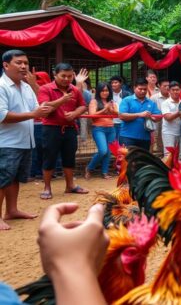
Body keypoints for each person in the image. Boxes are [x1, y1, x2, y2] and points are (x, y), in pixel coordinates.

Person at [0, 50, 48, 229]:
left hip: (24, 140)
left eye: (26, 63)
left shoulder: (26, 86)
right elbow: (2, 115)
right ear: (6, 65)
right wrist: (33, 114)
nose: (23, 66)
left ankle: (11, 210)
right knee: (2, 178)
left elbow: (37, 108)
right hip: (6, 142)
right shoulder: (1, 86)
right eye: (18, 63)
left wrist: (45, 106)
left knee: (14, 178)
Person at [37, 63, 88, 199]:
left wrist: (74, 113)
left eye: (70, 76)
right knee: (49, 157)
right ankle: (47, 188)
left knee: (69, 158)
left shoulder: (75, 90)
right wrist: (62, 100)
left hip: (70, 129)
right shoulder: (45, 88)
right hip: (51, 128)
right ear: (55, 75)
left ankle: (70, 186)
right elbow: (44, 107)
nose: (66, 79)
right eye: (63, 76)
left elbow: (83, 106)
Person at [118, 77, 161, 151]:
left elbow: (159, 116)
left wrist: (151, 117)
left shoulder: (151, 103)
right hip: (127, 136)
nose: (142, 91)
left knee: (142, 161)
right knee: (127, 160)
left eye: (145, 89)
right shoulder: (127, 100)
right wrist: (139, 115)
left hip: (145, 138)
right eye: (140, 89)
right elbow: (121, 116)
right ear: (134, 88)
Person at [85, 82, 117, 180]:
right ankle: (89, 168)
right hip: (99, 128)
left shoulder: (112, 102)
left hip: (111, 128)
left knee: (108, 152)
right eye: (102, 90)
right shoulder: (94, 101)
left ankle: (105, 172)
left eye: (107, 90)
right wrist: (104, 109)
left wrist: (111, 110)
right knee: (103, 150)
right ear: (98, 91)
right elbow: (92, 115)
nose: (105, 92)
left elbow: (117, 114)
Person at [160, 81, 181, 157]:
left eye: (177, 89)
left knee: (179, 155)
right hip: (168, 133)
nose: (175, 92)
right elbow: (168, 118)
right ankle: (167, 169)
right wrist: (179, 112)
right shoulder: (166, 103)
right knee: (168, 155)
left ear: (180, 90)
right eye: (173, 90)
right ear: (169, 91)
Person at [109, 76, 130, 141]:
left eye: (116, 82)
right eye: (112, 83)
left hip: (123, 122)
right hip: (111, 122)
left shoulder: (127, 94)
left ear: (120, 84)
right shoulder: (108, 94)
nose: (113, 84)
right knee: (112, 142)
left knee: (122, 141)